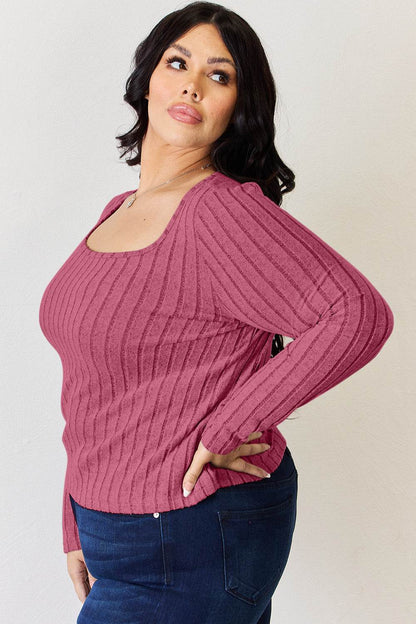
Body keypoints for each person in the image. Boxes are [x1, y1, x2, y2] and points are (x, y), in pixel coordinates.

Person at [38, 2, 394, 623]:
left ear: (237, 106)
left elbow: (357, 315)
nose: (193, 85)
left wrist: (228, 426)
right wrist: (76, 515)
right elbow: (95, 385)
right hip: (119, 527)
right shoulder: (119, 209)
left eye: (219, 75)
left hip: (189, 527)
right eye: (178, 63)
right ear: (147, 79)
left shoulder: (219, 211)